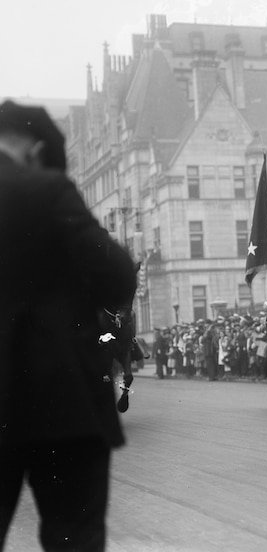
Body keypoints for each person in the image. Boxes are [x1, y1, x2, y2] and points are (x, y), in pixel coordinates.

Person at [0, 100, 137, 550]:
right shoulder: (46, 189)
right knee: (74, 537)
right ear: (37, 151)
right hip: (62, 402)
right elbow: (117, 274)